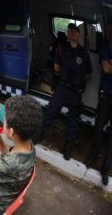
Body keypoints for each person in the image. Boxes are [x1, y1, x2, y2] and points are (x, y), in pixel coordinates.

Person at [37, 23, 92, 160]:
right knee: (52, 111)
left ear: (78, 34)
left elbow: (89, 72)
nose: (71, 33)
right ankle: (40, 134)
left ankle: (68, 145)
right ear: (67, 34)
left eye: (74, 31)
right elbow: (56, 67)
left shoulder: (83, 52)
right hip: (62, 87)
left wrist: (79, 81)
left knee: (73, 119)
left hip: (76, 91)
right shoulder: (62, 47)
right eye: (69, 31)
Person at [85, 20, 112, 185]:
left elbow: (109, 66)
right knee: (98, 126)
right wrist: (108, 65)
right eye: (109, 28)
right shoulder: (104, 45)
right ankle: (93, 154)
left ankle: (106, 167)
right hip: (106, 93)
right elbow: (106, 69)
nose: (110, 31)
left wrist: (110, 63)